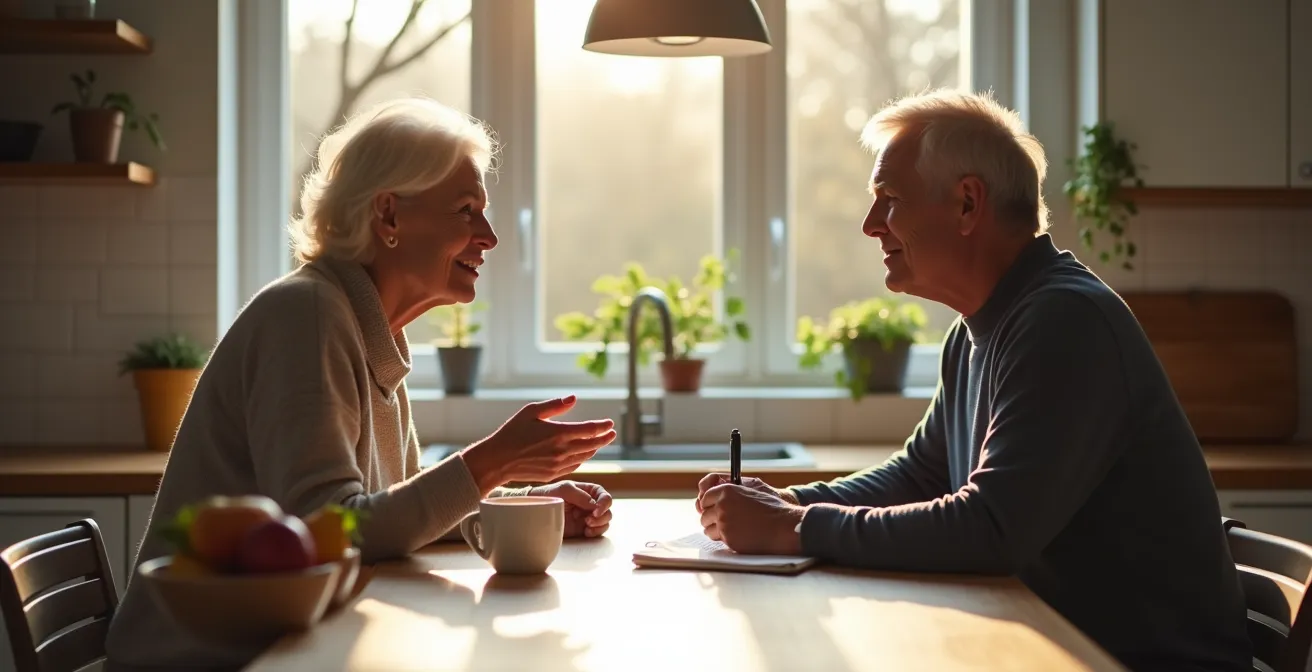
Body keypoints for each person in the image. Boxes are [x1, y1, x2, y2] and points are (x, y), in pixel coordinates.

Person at [696, 90, 1251, 671]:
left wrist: (796, 528)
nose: (870, 225)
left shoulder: (1065, 321)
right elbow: (920, 474)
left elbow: (991, 529)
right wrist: (787, 502)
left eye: (890, 200)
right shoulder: (978, 330)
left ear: (967, 204)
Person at [106, 98, 618, 670]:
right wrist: (491, 463)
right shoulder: (307, 316)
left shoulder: (366, 324)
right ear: (389, 216)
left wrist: (521, 507)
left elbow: (393, 518)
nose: (489, 236)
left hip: (275, 647)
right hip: (204, 659)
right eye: (466, 210)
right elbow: (333, 526)